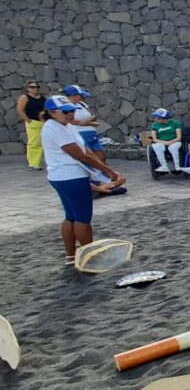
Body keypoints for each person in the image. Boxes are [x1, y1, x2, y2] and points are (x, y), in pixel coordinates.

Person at [41, 95, 123, 264]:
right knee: (83, 218)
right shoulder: (53, 128)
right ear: (52, 113)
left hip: (66, 176)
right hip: (70, 176)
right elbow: (78, 154)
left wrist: (104, 170)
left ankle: (71, 255)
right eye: (65, 112)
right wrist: (107, 170)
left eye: (71, 110)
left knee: (71, 216)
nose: (70, 114)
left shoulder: (66, 126)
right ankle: (90, 256)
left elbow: (85, 149)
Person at [64, 85, 107, 164]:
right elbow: (73, 121)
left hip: (91, 133)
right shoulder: (66, 107)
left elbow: (93, 117)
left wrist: (87, 122)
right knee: (89, 158)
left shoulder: (82, 104)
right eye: (79, 95)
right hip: (80, 134)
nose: (81, 97)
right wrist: (88, 122)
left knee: (102, 156)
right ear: (73, 96)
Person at [17, 80, 46, 170]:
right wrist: (28, 121)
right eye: (32, 87)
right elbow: (20, 110)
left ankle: (39, 161)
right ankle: (33, 163)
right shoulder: (24, 97)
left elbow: (45, 108)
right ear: (28, 89)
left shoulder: (42, 98)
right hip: (33, 122)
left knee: (42, 142)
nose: (35, 89)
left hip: (42, 122)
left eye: (37, 87)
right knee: (34, 143)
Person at [149, 107, 184, 173]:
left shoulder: (175, 123)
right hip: (161, 142)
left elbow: (179, 137)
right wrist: (166, 142)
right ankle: (164, 166)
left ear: (164, 119)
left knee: (173, 147)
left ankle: (177, 166)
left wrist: (171, 142)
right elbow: (154, 139)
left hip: (175, 141)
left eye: (157, 117)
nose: (155, 119)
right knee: (156, 147)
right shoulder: (154, 125)